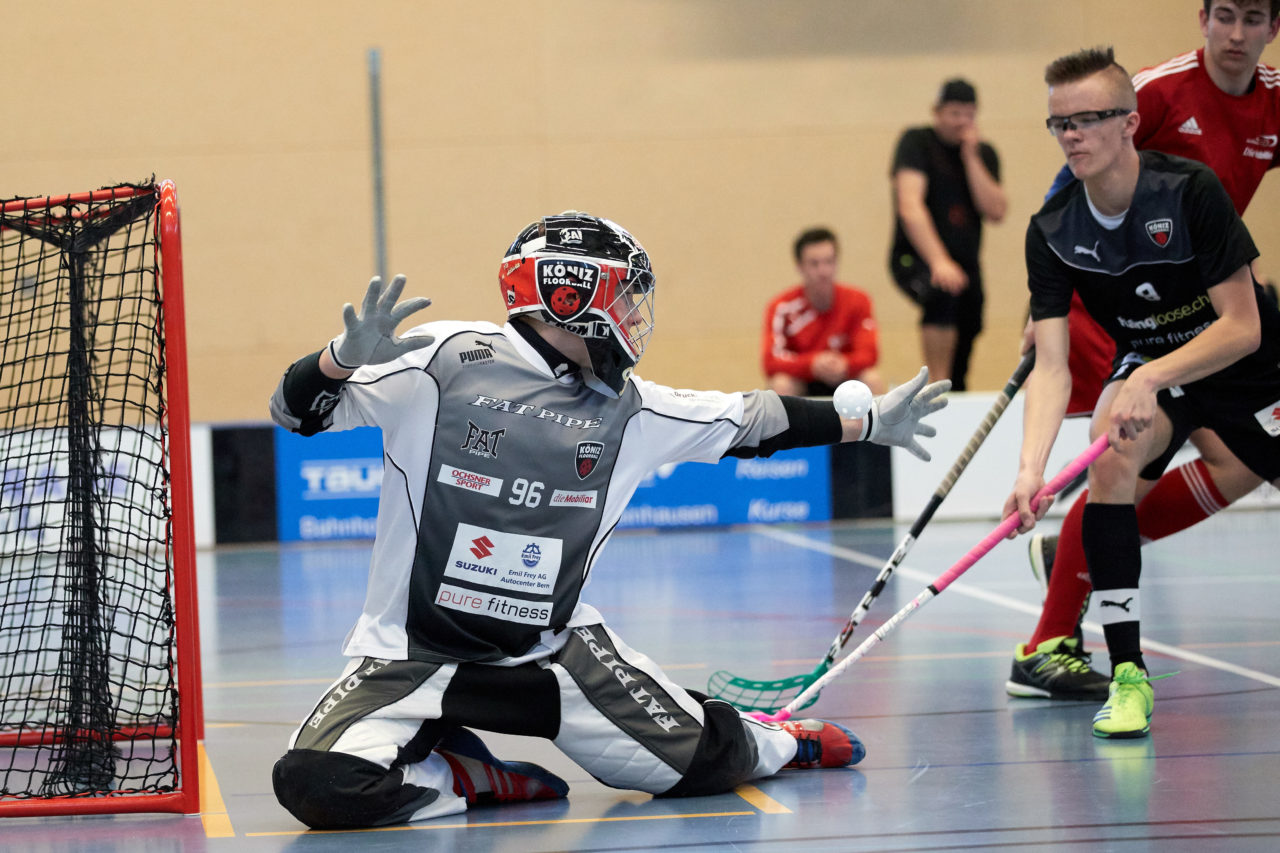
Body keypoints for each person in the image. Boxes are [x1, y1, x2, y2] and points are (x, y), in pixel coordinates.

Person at [267, 212, 950, 829]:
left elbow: (751, 420)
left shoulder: (628, 407)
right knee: (316, 781)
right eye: (626, 296)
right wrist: (339, 359)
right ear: (571, 295)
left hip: (554, 659)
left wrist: (865, 420)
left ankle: (781, 736)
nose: (634, 315)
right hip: (411, 659)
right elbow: (296, 413)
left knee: (706, 765)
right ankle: (471, 776)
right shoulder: (441, 361)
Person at [1007, 0, 1280, 702]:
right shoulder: (1156, 92)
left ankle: (1082, 552)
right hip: (1131, 299)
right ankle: (1057, 629)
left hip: (1224, 313)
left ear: (1273, 28)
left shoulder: (1266, 111)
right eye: (1225, 15)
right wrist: (1044, 305)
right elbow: (1076, 188)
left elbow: (1242, 320)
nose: (1237, 34)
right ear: (1203, 18)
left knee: (1241, 463)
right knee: (1115, 455)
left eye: (1254, 18)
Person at [890, 78, 1007, 391]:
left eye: (968, 114)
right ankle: (936, 383)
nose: (962, 122)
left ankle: (956, 387)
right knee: (943, 291)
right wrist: (938, 260)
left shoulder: (984, 153)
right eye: (954, 113)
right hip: (915, 256)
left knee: (970, 312)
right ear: (937, 112)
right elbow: (910, 204)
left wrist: (971, 156)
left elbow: (995, 210)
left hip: (966, 260)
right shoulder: (917, 143)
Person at [763, 227, 885, 397]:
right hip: (802, 379)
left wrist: (845, 363)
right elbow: (770, 361)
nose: (823, 271)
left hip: (845, 377)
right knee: (780, 384)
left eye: (829, 261)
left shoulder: (858, 300)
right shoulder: (782, 306)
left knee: (872, 379)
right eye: (814, 263)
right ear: (800, 267)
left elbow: (869, 354)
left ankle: (875, 424)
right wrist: (812, 364)